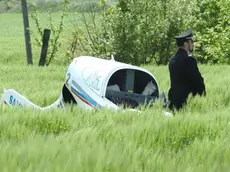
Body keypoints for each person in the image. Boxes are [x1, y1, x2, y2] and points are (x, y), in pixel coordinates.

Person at [167, 28, 206, 111]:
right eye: (191, 42)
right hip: (186, 103)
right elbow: (197, 81)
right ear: (186, 44)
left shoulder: (172, 59)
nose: (193, 44)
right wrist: (202, 97)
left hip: (173, 101)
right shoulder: (189, 60)